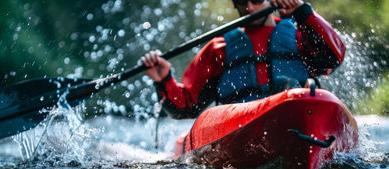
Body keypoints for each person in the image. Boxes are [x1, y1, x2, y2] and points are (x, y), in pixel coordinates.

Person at [141, 0, 345, 119]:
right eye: (241, 1)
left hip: (296, 115)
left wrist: (304, 12)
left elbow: (334, 56)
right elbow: (185, 106)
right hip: (241, 122)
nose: (250, 7)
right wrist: (163, 79)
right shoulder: (219, 48)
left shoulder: (300, 34)